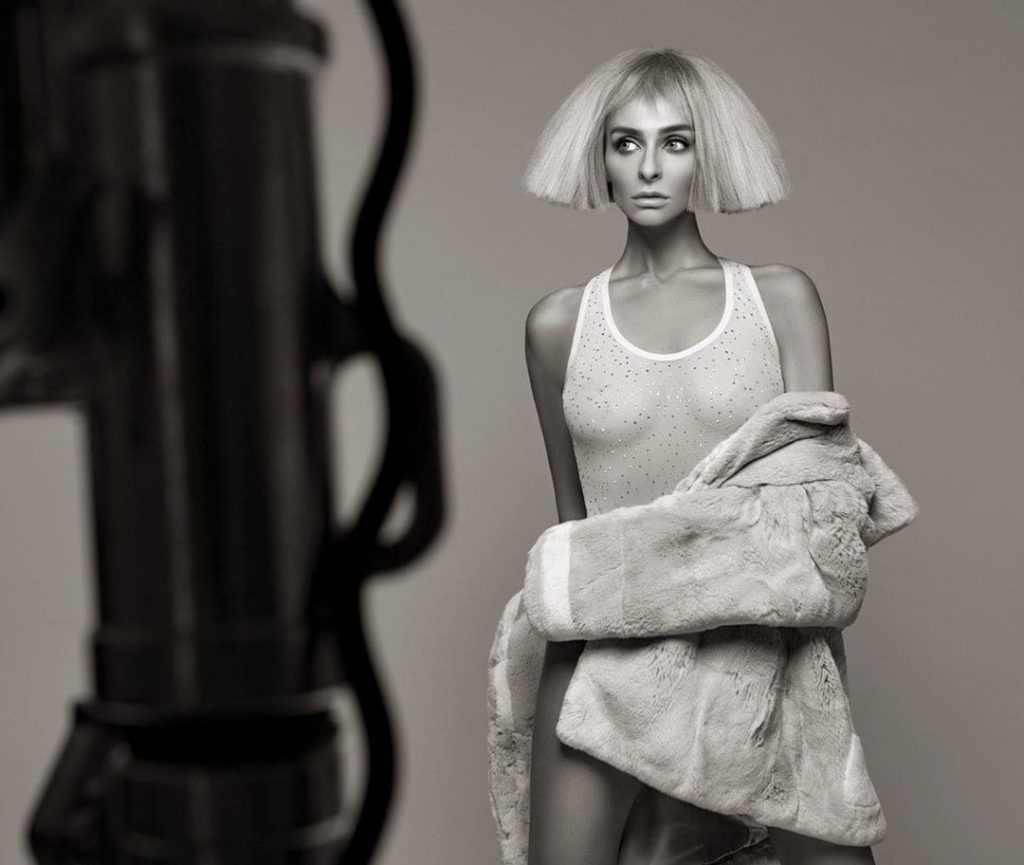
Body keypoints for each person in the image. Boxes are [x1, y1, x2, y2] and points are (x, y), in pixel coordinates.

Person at [521, 48, 875, 865]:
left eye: (674, 143)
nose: (649, 167)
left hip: (759, 656)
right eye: (626, 143)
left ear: (704, 156)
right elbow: (576, 534)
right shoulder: (556, 325)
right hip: (601, 661)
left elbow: (820, 527)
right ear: (601, 160)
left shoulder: (780, 299)